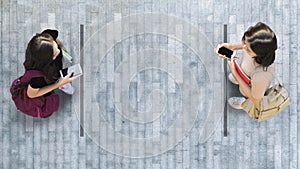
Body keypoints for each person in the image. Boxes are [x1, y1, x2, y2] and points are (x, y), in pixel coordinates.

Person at [216, 22, 277, 109]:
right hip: (246, 75)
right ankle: (240, 77)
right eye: (244, 41)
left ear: (259, 54)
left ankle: (244, 103)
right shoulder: (254, 45)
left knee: (245, 92)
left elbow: (256, 99)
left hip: (251, 87)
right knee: (242, 74)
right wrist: (231, 46)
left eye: (248, 49)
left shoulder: (261, 76)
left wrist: (235, 73)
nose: (243, 47)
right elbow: (247, 44)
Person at [24, 29, 81, 98]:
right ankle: (63, 85)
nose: (58, 51)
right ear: (46, 60)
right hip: (51, 79)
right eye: (54, 54)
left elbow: (57, 41)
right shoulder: (37, 79)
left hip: (54, 70)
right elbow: (31, 94)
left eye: (56, 46)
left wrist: (64, 50)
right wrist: (60, 83)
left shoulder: (46, 38)